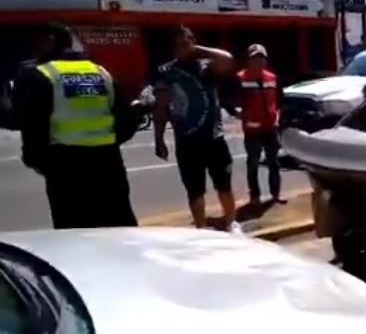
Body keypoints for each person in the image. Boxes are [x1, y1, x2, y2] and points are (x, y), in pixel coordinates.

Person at [13, 23, 139, 229]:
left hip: (65, 166)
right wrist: (107, 142)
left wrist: (36, 160)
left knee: (74, 229)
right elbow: (127, 121)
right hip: (108, 163)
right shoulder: (100, 72)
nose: (34, 49)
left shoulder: (41, 75)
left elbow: (32, 124)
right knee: (118, 225)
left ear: (51, 42)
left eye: (38, 42)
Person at [153, 25, 242, 233]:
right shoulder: (167, 72)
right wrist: (159, 138)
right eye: (182, 43)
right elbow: (161, 107)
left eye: (190, 40)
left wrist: (196, 48)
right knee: (194, 190)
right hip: (187, 140)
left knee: (224, 185)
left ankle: (231, 222)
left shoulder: (206, 67)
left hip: (214, 137)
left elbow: (227, 59)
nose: (187, 46)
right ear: (173, 47)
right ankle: (201, 228)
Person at [235, 44, 285, 206]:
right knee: (253, 164)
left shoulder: (272, 78)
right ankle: (254, 196)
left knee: (274, 163)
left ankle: (275, 195)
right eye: (255, 58)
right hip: (252, 129)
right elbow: (228, 99)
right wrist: (238, 113)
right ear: (248, 61)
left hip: (270, 127)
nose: (258, 61)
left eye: (261, 58)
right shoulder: (240, 78)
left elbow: (280, 100)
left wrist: (278, 116)